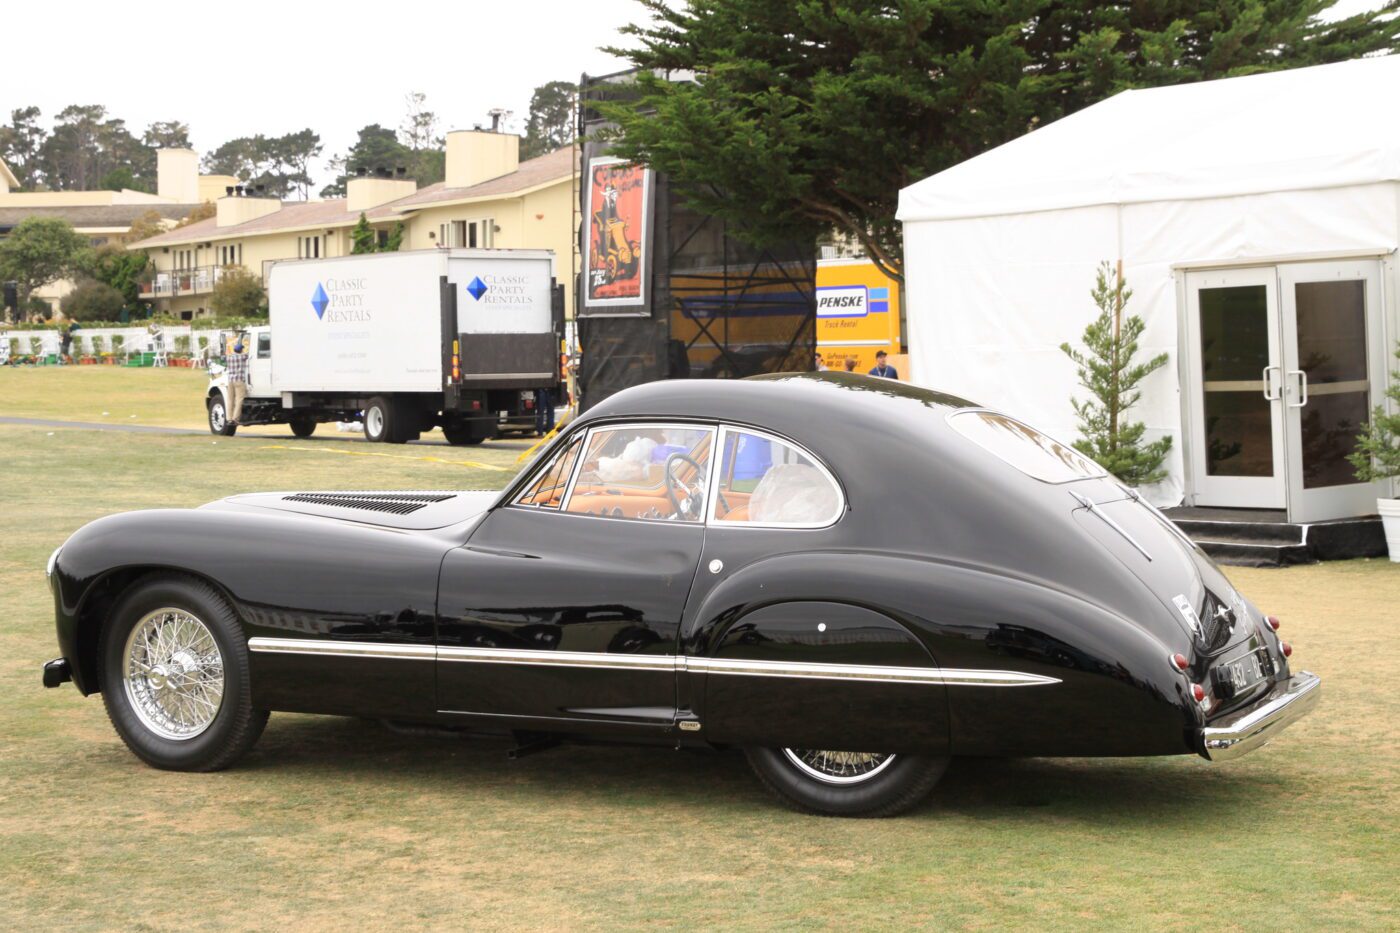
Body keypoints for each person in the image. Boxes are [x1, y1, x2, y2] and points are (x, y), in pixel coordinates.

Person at [226, 337, 250, 425]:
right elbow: (249, 355)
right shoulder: (242, 357)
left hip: (230, 380)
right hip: (239, 380)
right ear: (240, 350)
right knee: (239, 399)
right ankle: (235, 418)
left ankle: (229, 418)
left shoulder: (229, 357)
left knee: (230, 399)